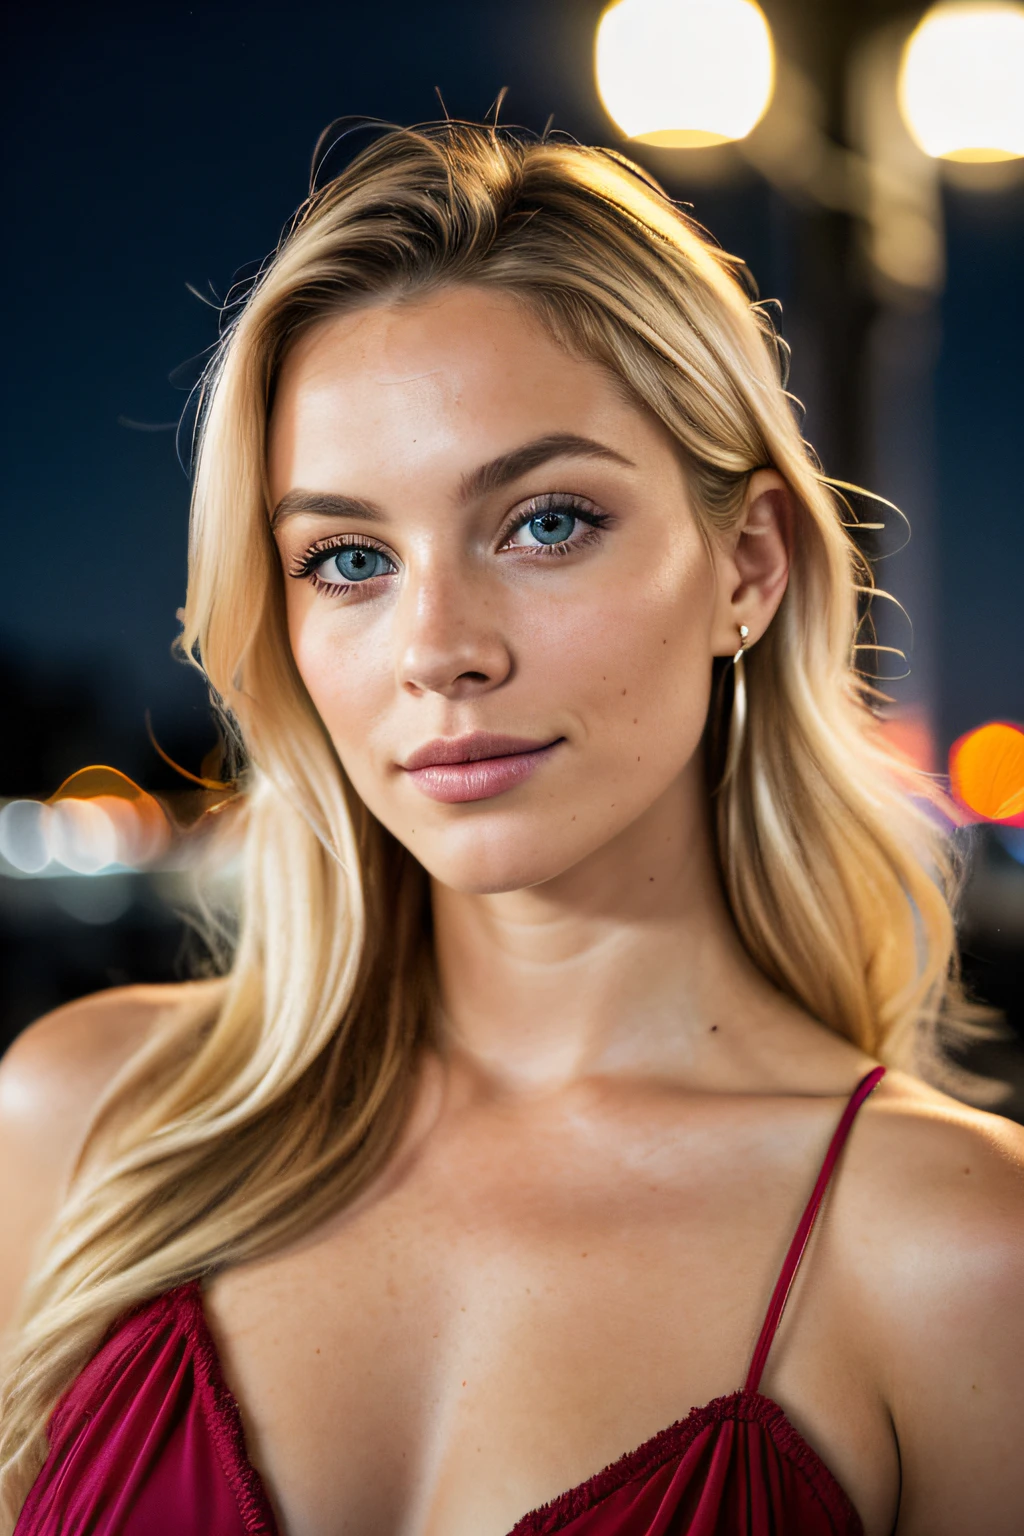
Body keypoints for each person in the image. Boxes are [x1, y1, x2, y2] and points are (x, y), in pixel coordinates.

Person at [0, 120, 1022, 1536]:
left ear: (747, 563)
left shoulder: (959, 1254)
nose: (438, 651)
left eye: (544, 523)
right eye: (348, 560)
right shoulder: (86, 1129)